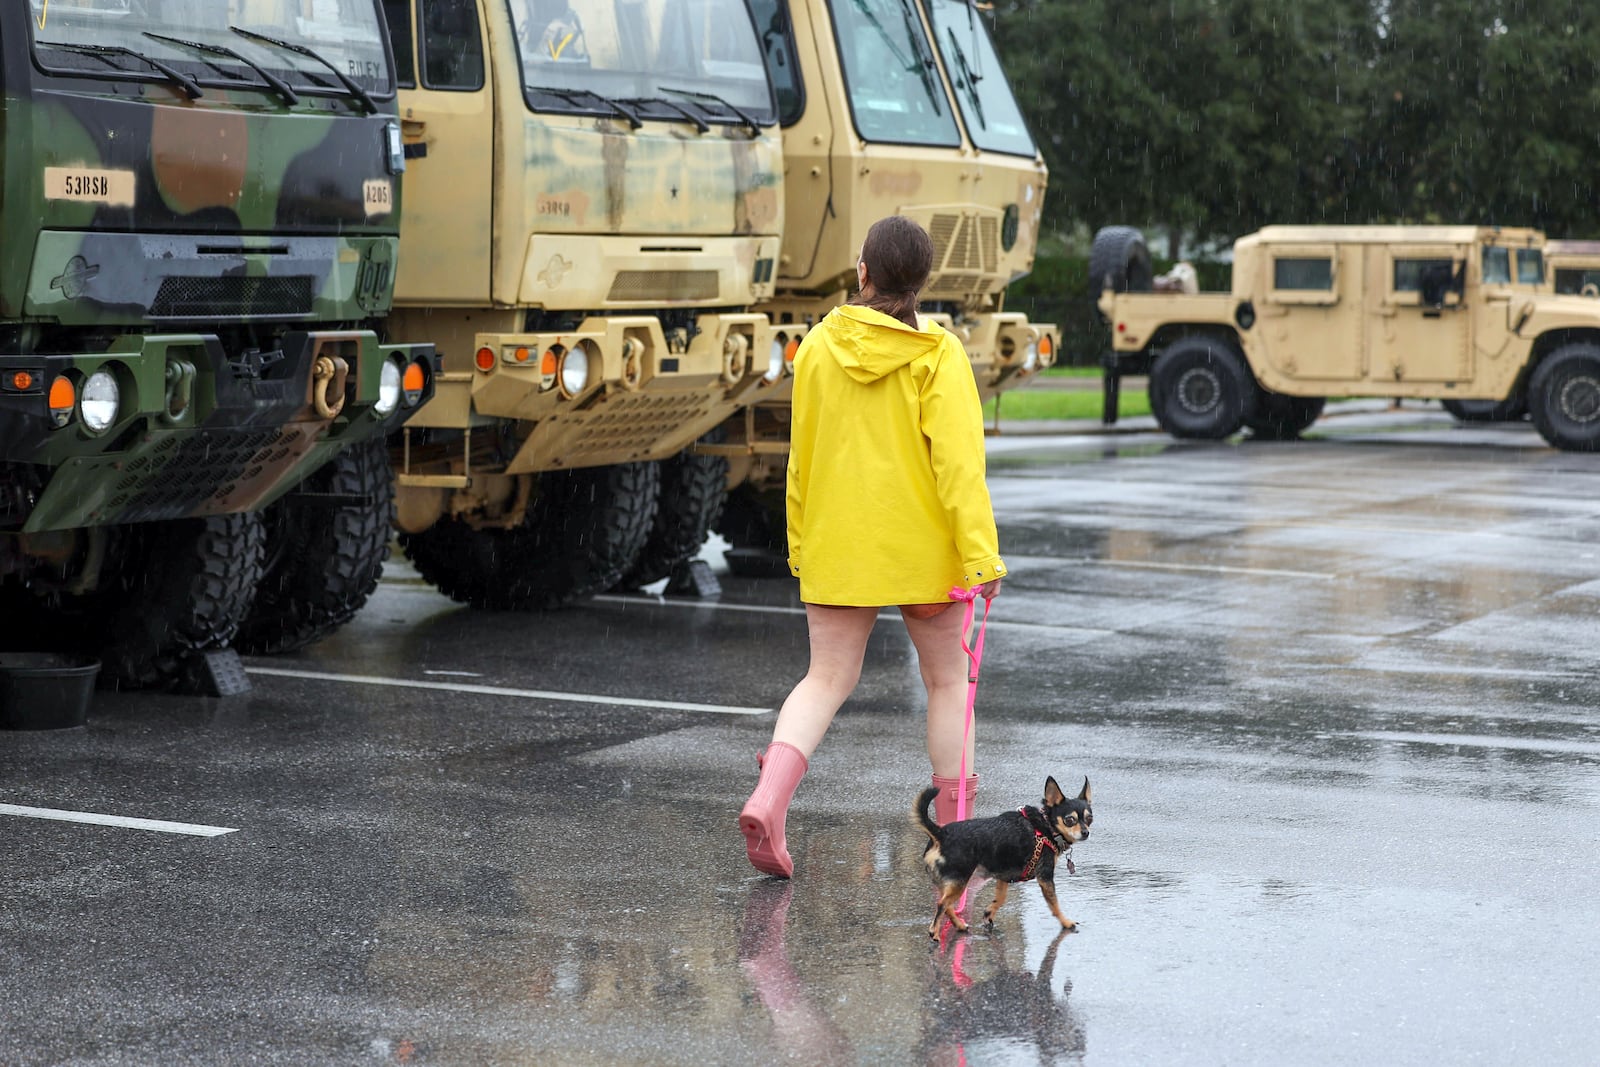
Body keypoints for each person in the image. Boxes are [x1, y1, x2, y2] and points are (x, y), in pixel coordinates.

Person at [738, 215, 1007, 879]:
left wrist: (800, 543)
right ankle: (958, 842)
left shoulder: (819, 349)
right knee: (948, 681)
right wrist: (982, 557)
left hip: (840, 545)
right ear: (922, 283)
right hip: (926, 552)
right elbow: (959, 467)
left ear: (862, 273)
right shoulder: (937, 355)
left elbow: (800, 458)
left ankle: (769, 799)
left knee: (824, 678)